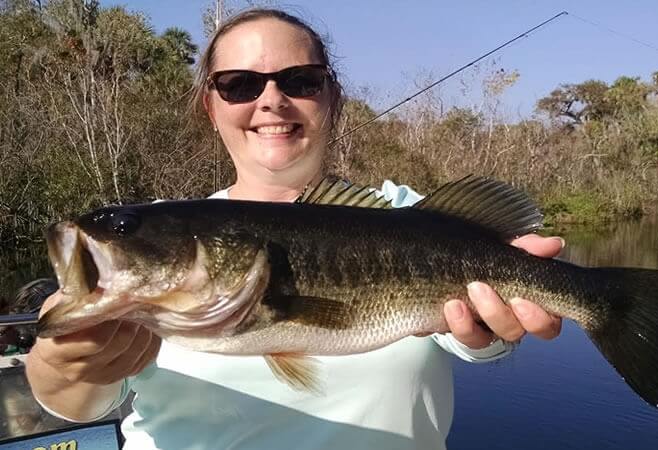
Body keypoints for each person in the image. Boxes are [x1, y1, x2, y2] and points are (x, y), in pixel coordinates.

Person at [26, 8, 564, 450]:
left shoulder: (407, 215)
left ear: (332, 98)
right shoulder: (164, 227)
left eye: (300, 81)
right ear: (210, 107)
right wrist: (65, 365)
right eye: (238, 84)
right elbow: (81, 402)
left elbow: (475, 343)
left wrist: (496, 329)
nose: (271, 100)